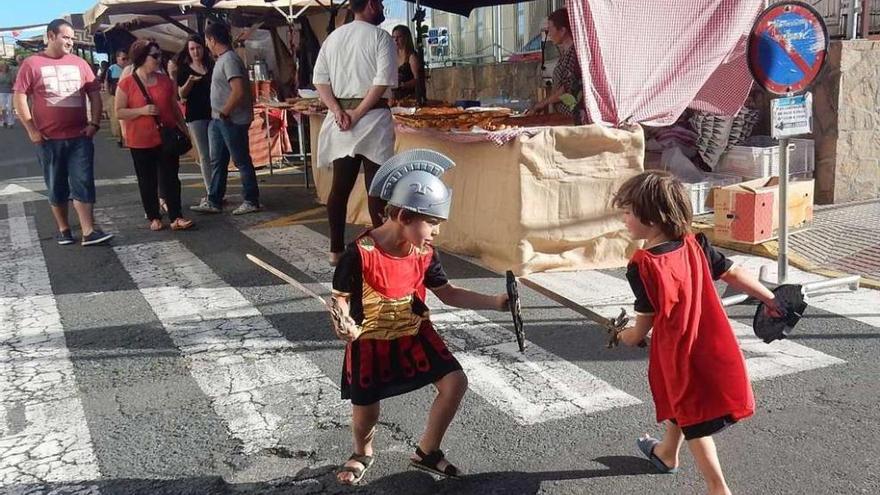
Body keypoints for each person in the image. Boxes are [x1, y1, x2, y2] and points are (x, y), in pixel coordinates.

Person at [331, 149, 509, 485]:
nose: (436, 232)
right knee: (366, 406)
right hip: (370, 337)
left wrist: (496, 302)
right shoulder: (359, 253)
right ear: (402, 215)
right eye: (432, 223)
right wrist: (342, 320)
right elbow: (340, 298)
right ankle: (362, 452)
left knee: (455, 382)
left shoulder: (424, 254)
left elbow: (449, 292)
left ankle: (428, 450)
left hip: (415, 332)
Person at [610, 171, 783, 495]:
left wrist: (625, 337)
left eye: (628, 212)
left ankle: (718, 488)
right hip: (712, 340)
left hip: (680, 351)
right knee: (686, 403)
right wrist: (770, 298)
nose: (624, 218)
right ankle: (666, 453)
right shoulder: (695, 243)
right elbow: (733, 272)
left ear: (652, 216)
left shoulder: (643, 265)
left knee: (694, 418)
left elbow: (643, 324)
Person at [13, 19, 113, 246]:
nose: (70, 41)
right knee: (56, 185)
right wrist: (31, 129)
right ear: (50, 36)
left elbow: (95, 95)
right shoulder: (32, 64)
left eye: (72, 38)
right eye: (65, 37)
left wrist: (94, 124)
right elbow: (19, 97)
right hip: (48, 139)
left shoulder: (80, 63)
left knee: (83, 181)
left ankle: (88, 231)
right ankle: (64, 228)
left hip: (80, 137)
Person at [313, 0, 397, 266]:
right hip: (372, 121)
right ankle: (384, 252)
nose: (383, 8)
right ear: (371, 4)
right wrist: (356, 113)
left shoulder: (333, 38)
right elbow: (382, 81)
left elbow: (320, 80)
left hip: (343, 124)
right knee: (377, 191)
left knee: (340, 188)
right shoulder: (381, 38)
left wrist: (338, 111)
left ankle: (335, 251)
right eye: (381, 3)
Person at [115, 40, 194, 232]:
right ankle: (153, 216)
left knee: (171, 178)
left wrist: (185, 130)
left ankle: (176, 216)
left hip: (165, 137)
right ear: (142, 58)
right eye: (155, 56)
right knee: (147, 180)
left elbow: (174, 108)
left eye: (160, 55)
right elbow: (119, 111)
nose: (159, 60)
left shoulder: (165, 82)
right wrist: (141, 111)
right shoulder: (127, 83)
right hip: (140, 140)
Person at [191, 22, 261, 215]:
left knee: (241, 160)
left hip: (231, 119)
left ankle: (251, 199)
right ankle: (214, 199)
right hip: (219, 119)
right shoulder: (223, 59)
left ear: (213, 40)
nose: (206, 45)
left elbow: (238, 91)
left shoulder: (229, 59)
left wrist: (224, 112)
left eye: (206, 40)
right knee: (218, 161)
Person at [527, 8, 584, 124]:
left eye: (550, 29)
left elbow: (566, 89)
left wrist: (543, 103)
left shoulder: (574, 54)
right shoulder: (566, 54)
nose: (549, 34)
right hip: (563, 116)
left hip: (572, 118)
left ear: (562, 30)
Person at [175, 34, 214, 194]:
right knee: (204, 154)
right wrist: (189, 81)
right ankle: (211, 189)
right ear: (188, 51)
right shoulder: (184, 69)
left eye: (198, 48)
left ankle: (218, 187)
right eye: (192, 49)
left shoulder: (211, 65)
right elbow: (181, 94)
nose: (195, 52)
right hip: (195, 115)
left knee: (216, 152)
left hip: (214, 113)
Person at [390, 25, 421, 101]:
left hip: (409, 97)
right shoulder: (392, 55)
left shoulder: (411, 56)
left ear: (406, 38)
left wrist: (403, 85)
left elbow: (418, 79)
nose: (396, 40)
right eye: (393, 37)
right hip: (393, 98)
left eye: (399, 37)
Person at [106, 49, 129, 144]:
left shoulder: (129, 69)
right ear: (117, 58)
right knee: (116, 118)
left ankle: (127, 137)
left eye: (127, 59)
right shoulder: (112, 68)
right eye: (123, 58)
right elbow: (107, 81)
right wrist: (109, 93)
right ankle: (119, 137)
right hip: (115, 96)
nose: (125, 61)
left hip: (128, 97)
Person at [0, 61, 16, 128]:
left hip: (10, 92)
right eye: (3, 67)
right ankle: (4, 121)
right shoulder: (0, 74)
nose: (5, 68)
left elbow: (13, 83)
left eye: (6, 67)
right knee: (3, 108)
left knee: (9, 108)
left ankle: (11, 122)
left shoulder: (11, 75)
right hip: (1, 92)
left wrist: (15, 92)